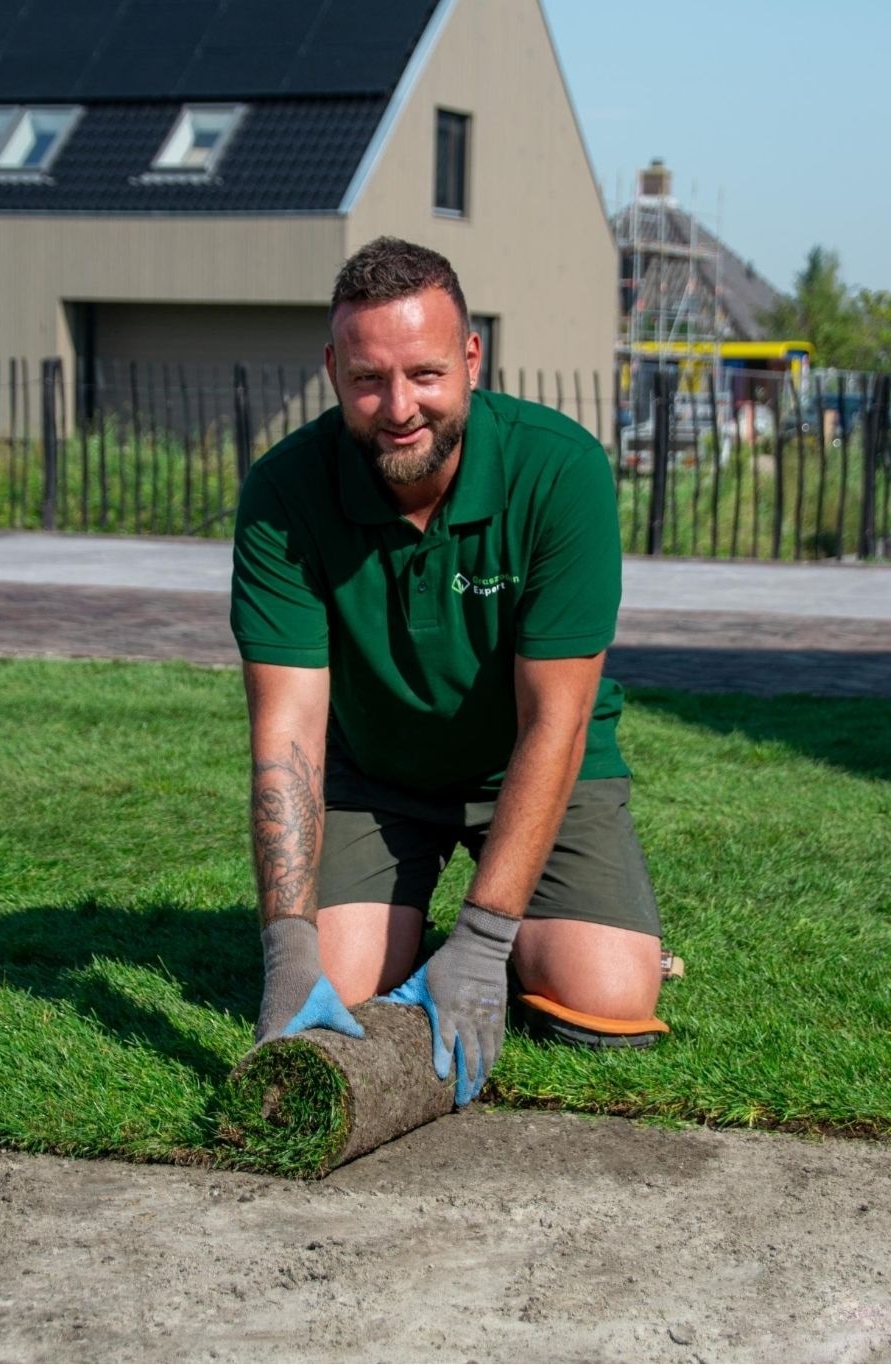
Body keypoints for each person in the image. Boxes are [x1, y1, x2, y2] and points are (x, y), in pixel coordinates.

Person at [230, 236, 670, 1107]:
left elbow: (559, 722)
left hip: (530, 763)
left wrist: (481, 938)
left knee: (607, 998)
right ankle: (407, 927)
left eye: (425, 374)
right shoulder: (284, 493)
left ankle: (526, 932)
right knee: (341, 990)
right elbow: (287, 729)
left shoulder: (563, 471)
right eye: (368, 379)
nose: (398, 407)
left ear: (472, 358)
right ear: (332, 370)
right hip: (379, 774)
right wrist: (287, 951)